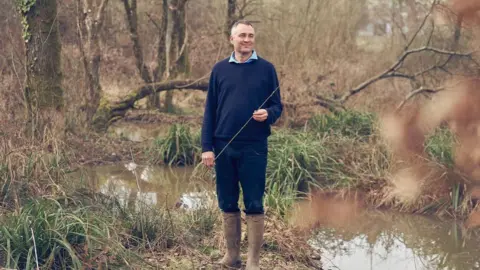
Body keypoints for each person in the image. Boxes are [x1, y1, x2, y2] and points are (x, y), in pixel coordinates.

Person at [200, 19, 283, 269]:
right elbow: (209, 111)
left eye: (251, 36)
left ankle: (253, 263)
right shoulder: (219, 69)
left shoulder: (267, 69)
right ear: (232, 39)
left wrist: (268, 114)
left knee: (254, 202)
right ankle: (232, 257)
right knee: (227, 201)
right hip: (223, 146)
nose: (247, 40)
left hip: (255, 147)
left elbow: (278, 105)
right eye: (242, 35)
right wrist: (207, 147)